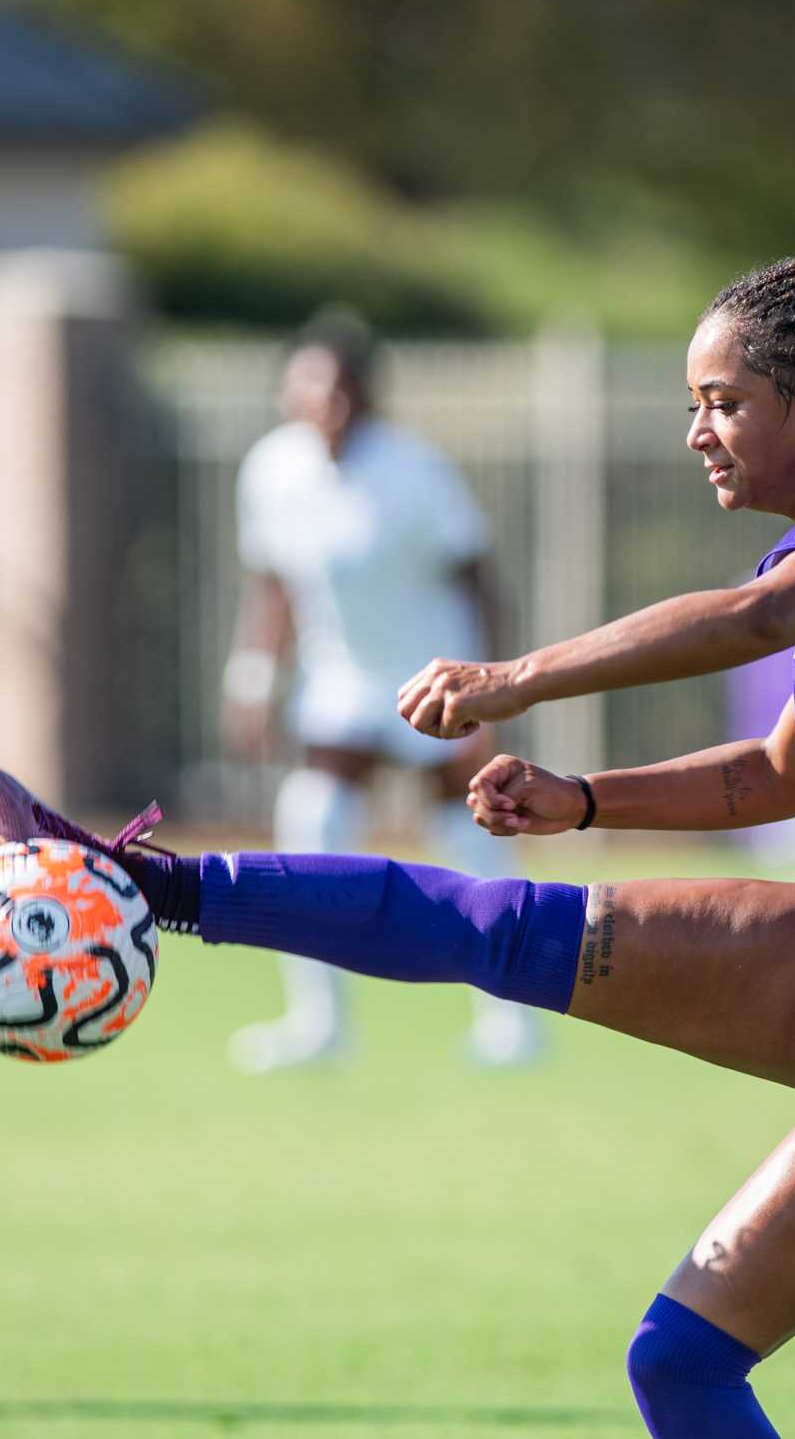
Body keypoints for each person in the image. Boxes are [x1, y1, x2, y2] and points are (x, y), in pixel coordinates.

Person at [0, 258, 795, 1435]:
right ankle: (152, 884)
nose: (697, 430)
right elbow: (773, 772)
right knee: (494, 926)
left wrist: (519, 675)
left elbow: (749, 616)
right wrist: (580, 801)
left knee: (682, 1361)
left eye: (724, 400)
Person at [219, 312, 538, 1071]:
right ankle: (319, 1022)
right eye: (303, 386)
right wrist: (254, 679)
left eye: (333, 388)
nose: (318, 402)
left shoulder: (414, 469)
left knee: (470, 836)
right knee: (312, 821)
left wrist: (489, 688)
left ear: (363, 394)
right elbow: (273, 586)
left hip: (435, 679)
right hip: (341, 683)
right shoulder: (270, 470)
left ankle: (516, 1020)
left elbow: (478, 577)